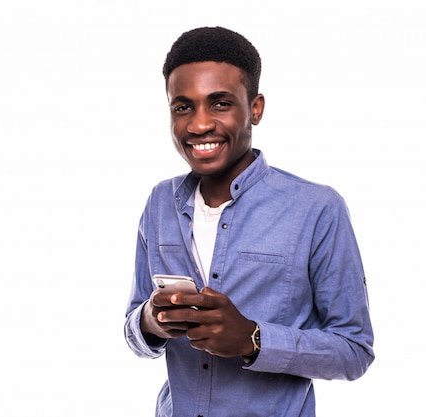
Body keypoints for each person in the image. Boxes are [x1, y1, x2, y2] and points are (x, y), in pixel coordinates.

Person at [124, 26, 374, 417]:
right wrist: (152, 320)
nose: (199, 124)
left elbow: (354, 351)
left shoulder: (318, 208)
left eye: (220, 103)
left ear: (255, 108)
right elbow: (135, 330)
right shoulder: (160, 202)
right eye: (183, 106)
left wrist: (253, 340)